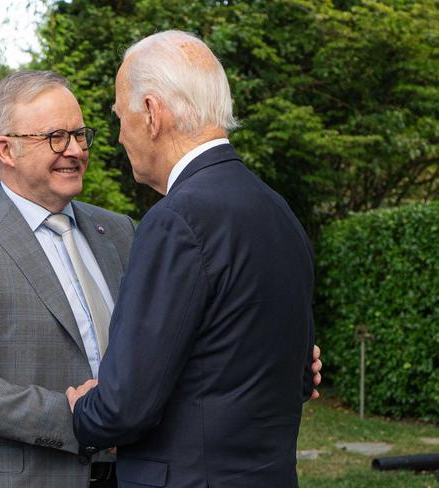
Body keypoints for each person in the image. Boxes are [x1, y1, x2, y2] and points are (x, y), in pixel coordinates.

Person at [68, 30, 317, 487]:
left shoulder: (176, 221)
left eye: (120, 114)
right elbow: (299, 379)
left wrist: (84, 408)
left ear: (150, 113)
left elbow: (125, 407)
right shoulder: (278, 211)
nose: (120, 134)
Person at [0, 70, 135, 487]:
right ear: (7, 150)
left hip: (130, 474)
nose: (74, 150)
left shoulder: (120, 232)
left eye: (79, 134)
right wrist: (71, 416)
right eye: (56, 137)